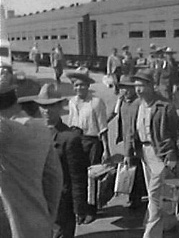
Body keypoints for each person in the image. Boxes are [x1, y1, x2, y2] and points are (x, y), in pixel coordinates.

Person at [0, 65, 63, 238]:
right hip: (37, 224)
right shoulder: (40, 128)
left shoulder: (6, 129)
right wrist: (47, 216)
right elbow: (54, 179)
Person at [124, 69, 179, 238]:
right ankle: (169, 221)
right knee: (158, 189)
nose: (138, 89)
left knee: (154, 194)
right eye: (136, 86)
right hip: (144, 152)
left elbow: (176, 132)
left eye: (142, 85)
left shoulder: (165, 105)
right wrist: (128, 153)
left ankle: (151, 233)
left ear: (151, 86)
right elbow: (129, 131)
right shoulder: (135, 105)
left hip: (162, 153)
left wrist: (176, 154)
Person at [33, 83, 89, 236]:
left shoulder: (69, 138)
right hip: (39, 200)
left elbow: (77, 177)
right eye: (43, 106)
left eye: (51, 106)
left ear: (59, 107)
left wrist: (79, 207)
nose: (46, 110)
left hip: (62, 204)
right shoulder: (33, 133)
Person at [66, 67, 110, 221]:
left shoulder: (96, 102)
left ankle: (92, 210)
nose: (79, 88)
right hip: (76, 141)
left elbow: (103, 127)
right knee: (77, 176)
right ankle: (80, 209)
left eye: (82, 85)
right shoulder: (72, 102)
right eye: (76, 85)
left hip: (92, 142)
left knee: (92, 177)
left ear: (88, 86)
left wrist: (106, 150)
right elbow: (71, 123)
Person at [107, 75, 146, 209]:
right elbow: (112, 113)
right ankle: (135, 196)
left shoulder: (139, 103)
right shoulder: (122, 101)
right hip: (127, 141)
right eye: (123, 88)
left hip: (138, 142)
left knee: (138, 168)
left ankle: (137, 198)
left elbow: (136, 127)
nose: (125, 91)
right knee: (132, 167)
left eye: (129, 88)